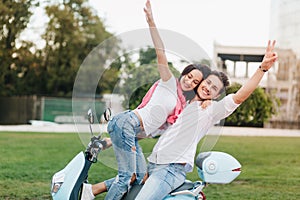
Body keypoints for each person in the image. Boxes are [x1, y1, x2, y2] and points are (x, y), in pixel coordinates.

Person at [81, 0, 211, 199]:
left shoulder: (179, 109)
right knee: (126, 177)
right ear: (183, 73)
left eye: (195, 82)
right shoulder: (168, 82)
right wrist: (151, 22)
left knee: (141, 176)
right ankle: (92, 193)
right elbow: (161, 53)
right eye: (189, 76)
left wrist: (108, 141)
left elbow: (146, 133)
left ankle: (90, 191)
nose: (190, 81)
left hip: (129, 129)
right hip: (127, 122)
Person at [133, 40, 278, 199]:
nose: (208, 87)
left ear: (217, 96)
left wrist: (262, 68)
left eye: (214, 88)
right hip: (154, 166)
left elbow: (239, 96)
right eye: (208, 82)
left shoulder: (210, 110)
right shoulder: (183, 103)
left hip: (170, 170)